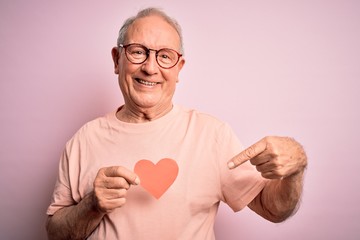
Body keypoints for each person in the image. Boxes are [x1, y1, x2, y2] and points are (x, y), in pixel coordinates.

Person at [46, 7, 307, 240]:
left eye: (165, 56)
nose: (150, 67)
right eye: (138, 52)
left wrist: (296, 168)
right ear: (117, 60)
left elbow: (273, 209)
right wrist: (92, 205)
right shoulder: (83, 140)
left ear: (179, 68)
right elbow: (55, 234)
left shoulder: (211, 135)